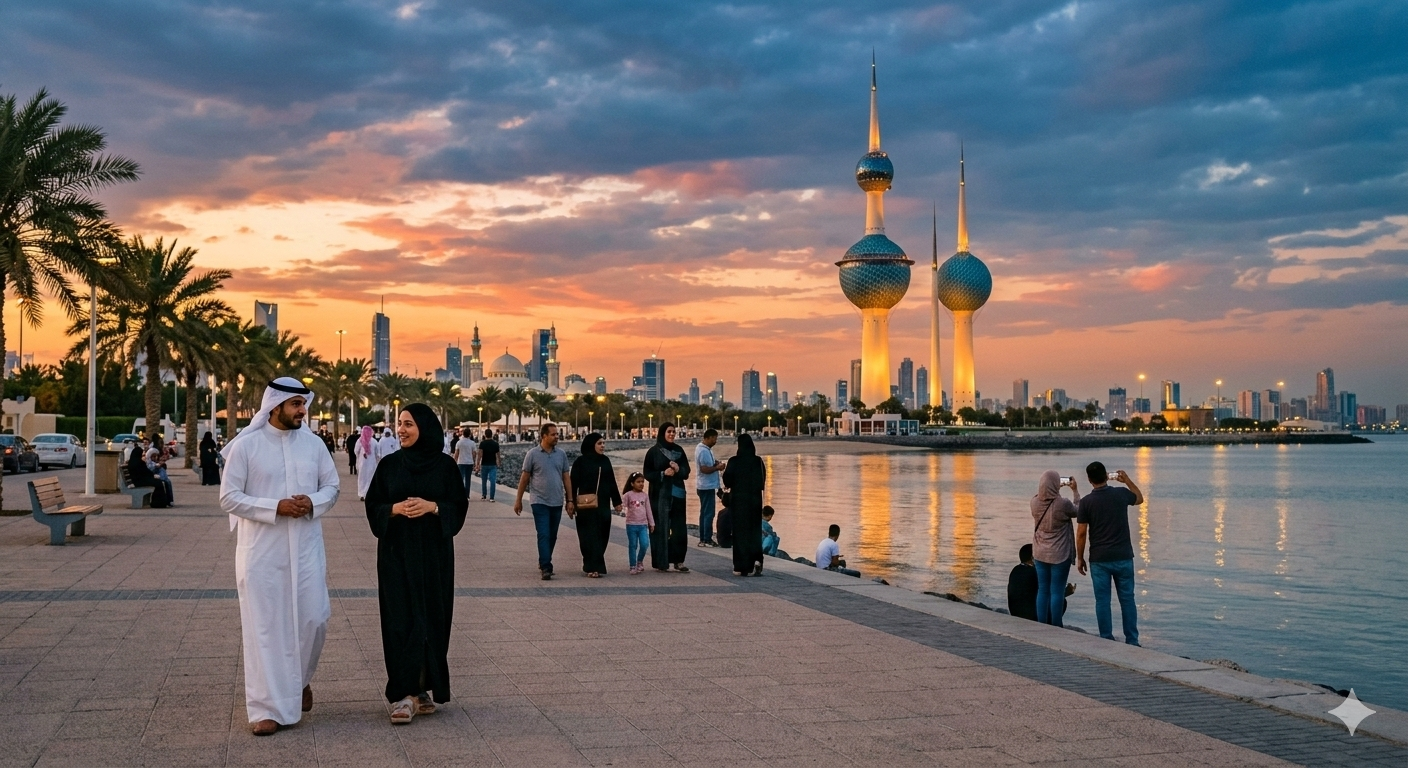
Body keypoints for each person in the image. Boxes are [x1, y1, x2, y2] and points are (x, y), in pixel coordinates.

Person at [219, 378, 340, 736]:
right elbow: (229, 497)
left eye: (304, 404)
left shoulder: (315, 445)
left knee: (314, 620)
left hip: (306, 549)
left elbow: (332, 487)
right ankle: (265, 709)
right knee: (266, 629)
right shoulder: (247, 447)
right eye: (296, 405)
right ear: (275, 406)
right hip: (262, 554)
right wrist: (275, 507)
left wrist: (312, 503)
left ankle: (299, 680)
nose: (303, 411)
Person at [364, 404, 468, 725]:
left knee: (432, 619)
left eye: (408, 424)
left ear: (425, 427)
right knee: (400, 618)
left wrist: (433, 506)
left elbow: (458, 506)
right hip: (396, 555)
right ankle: (403, 693)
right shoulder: (390, 466)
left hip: (434, 557)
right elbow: (374, 505)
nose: (402, 430)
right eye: (399, 424)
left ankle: (422, 688)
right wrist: (394, 509)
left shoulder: (445, 467)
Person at [1076, 461, 1146, 646]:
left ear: (1089, 480)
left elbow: (1081, 533)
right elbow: (1139, 499)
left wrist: (1079, 557)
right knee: (1127, 599)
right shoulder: (1121, 494)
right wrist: (1127, 481)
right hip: (1123, 556)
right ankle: (1132, 640)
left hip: (1099, 559)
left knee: (1102, 601)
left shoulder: (1086, 502)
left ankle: (1106, 639)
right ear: (1107, 476)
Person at [513, 423, 572, 580]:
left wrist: (570, 500)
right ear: (544, 436)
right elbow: (524, 478)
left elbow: (566, 477)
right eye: (553, 434)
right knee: (544, 534)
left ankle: (543, 560)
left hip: (557, 501)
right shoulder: (532, 454)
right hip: (539, 501)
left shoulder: (561, 454)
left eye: (557, 434)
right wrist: (518, 500)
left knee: (552, 535)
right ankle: (546, 566)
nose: (556, 437)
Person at [570, 433, 622, 578]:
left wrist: (617, 501)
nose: (602, 446)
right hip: (585, 507)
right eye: (599, 443)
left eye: (603, 443)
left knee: (603, 535)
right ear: (591, 444)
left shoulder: (605, 461)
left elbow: (612, 482)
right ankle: (592, 566)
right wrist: (570, 502)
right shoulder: (580, 462)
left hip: (603, 506)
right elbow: (572, 485)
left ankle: (594, 564)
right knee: (587, 537)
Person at [1032, 470, 1080, 627]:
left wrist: (1046, 488)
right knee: (1057, 591)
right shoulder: (1063, 504)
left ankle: (1041, 624)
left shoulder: (1034, 502)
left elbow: (1041, 497)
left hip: (1039, 553)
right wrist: (1075, 490)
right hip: (1060, 553)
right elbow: (1078, 510)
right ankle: (1056, 626)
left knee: (1043, 589)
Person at [644, 423, 691, 573]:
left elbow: (686, 472)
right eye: (669, 431)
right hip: (659, 496)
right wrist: (663, 474)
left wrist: (678, 469)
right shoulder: (653, 452)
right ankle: (661, 562)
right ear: (663, 433)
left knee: (679, 529)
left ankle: (678, 561)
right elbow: (647, 473)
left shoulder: (679, 451)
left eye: (674, 432)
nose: (672, 434)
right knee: (660, 528)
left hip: (677, 495)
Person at [722, 433, 766, 577]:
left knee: (740, 534)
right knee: (754, 532)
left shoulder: (734, 461)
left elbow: (727, 481)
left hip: (739, 502)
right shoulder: (758, 461)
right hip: (754, 502)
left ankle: (742, 566)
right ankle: (757, 560)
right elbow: (762, 482)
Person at [693, 429, 725, 546]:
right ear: (709, 437)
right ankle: (706, 538)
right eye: (714, 438)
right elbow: (704, 469)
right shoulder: (703, 451)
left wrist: (716, 463)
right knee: (708, 513)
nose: (715, 441)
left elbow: (708, 464)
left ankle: (704, 537)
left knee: (704, 512)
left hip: (705, 486)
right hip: (706, 486)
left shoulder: (705, 449)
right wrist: (717, 468)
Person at [622, 473, 653, 574]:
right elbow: (623, 506)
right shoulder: (628, 495)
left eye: (642, 482)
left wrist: (651, 523)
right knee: (633, 545)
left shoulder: (645, 496)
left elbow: (648, 510)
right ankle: (632, 565)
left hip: (643, 525)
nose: (641, 484)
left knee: (644, 544)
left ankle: (639, 561)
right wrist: (622, 511)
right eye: (638, 482)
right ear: (632, 483)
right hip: (631, 524)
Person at [126, 440, 170, 508]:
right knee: (158, 483)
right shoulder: (138, 462)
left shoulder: (133, 461)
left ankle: (158, 502)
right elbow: (145, 471)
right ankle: (158, 503)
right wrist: (152, 475)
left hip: (138, 481)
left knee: (158, 482)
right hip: (140, 482)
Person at [1007, 544, 1039, 621]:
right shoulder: (1033, 572)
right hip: (1030, 616)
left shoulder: (1015, 569)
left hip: (1015, 612)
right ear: (1032, 558)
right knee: (1062, 602)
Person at [146, 436, 175, 506]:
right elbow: (149, 469)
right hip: (153, 477)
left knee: (168, 482)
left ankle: (169, 500)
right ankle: (169, 500)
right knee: (166, 482)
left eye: (156, 456)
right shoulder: (148, 462)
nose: (155, 458)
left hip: (158, 476)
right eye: (153, 456)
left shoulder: (153, 461)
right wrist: (157, 465)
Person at [355, 426, 380, 501]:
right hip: (371, 464)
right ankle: (368, 494)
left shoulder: (359, 441)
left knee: (362, 479)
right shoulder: (374, 441)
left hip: (362, 464)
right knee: (370, 478)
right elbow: (378, 453)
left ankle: (362, 494)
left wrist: (360, 456)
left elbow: (356, 451)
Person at [453, 428, 477, 499]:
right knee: (468, 480)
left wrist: (454, 461)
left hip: (461, 462)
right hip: (469, 462)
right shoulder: (472, 443)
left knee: (460, 479)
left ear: (463, 434)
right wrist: (474, 461)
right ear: (469, 434)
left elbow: (456, 454)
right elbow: (474, 454)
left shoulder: (459, 442)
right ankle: (467, 496)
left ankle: (460, 494)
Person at [477, 429, 500, 501]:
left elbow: (480, 454)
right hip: (493, 464)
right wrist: (499, 462)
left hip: (484, 464)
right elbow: (498, 454)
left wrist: (478, 463)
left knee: (484, 480)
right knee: (493, 481)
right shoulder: (495, 444)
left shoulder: (482, 443)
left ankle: (484, 495)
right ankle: (492, 497)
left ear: (485, 435)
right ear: (492, 434)